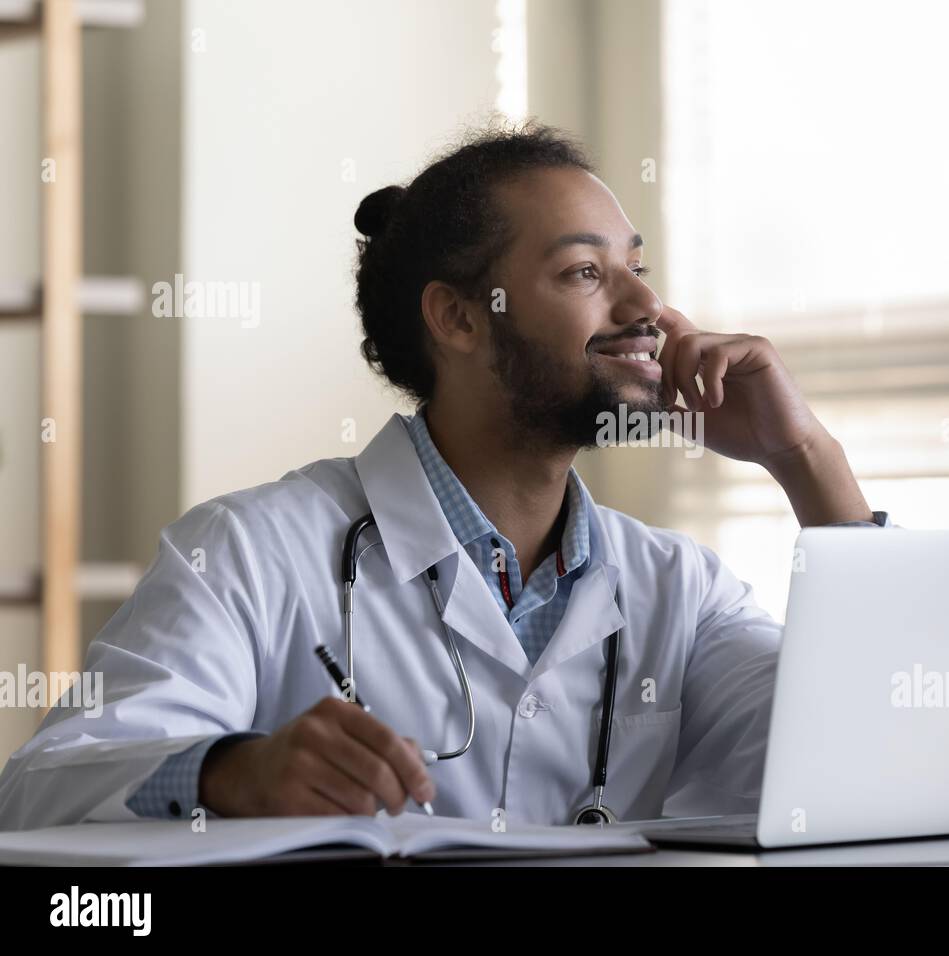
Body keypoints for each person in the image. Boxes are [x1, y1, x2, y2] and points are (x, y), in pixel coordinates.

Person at [0, 121, 889, 831]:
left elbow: (876, 754)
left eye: (638, 269)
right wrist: (236, 771)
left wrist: (805, 460)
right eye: (585, 271)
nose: (647, 308)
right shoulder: (248, 550)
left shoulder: (680, 591)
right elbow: (40, 789)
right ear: (459, 318)